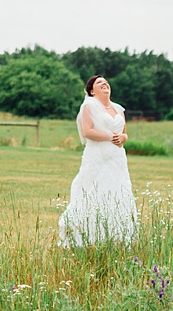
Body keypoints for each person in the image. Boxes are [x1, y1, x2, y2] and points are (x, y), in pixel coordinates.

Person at [58, 75, 138, 247]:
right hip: (96, 156)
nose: (105, 84)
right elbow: (87, 131)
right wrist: (110, 136)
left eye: (106, 82)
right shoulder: (88, 106)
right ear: (92, 91)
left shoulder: (118, 109)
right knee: (93, 189)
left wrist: (122, 138)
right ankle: (87, 234)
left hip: (116, 158)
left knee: (118, 190)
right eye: (99, 83)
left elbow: (124, 133)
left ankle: (118, 236)